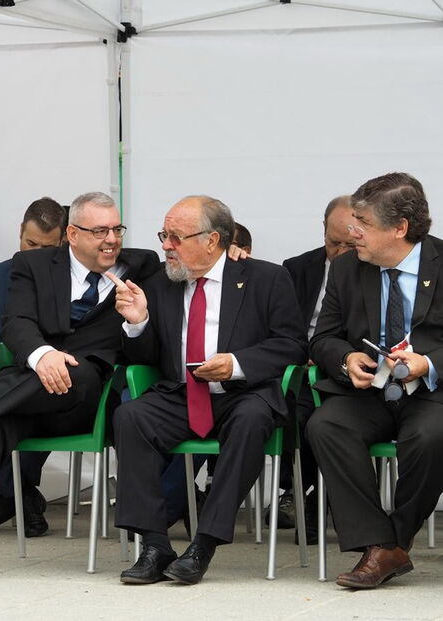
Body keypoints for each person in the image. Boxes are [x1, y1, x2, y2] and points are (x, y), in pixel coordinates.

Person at [0, 191, 160, 582]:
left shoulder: (142, 266)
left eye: (116, 229)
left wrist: (136, 321)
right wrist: (43, 354)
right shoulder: (33, 265)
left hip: (89, 403)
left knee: (80, 370)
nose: (111, 239)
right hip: (30, 398)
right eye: (99, 231)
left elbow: (152, 341)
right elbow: (16, 323)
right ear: (72, 235)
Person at [110, 195, 306, 585]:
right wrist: (138, 323)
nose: (166, 245)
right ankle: (153, 545)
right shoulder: (161, 282)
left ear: (213, 240)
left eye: (176, 237)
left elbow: (293, 344)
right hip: (182, 395)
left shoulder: (264, 278)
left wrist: (236, 364)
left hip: (243, 395)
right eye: (164, 235)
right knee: (130, 415)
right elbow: (144, 355)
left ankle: (204, 543)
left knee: (252, 418)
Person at [307, 172, 443, 589]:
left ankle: (393, 543)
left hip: (430, 394)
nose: (353, 234)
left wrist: (428, 363)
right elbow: (321, 338)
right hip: (368, 391)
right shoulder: (347, 268)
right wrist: (346, 357)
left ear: (399, 228)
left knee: (430, 436)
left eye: (362, 224)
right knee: (325, 425)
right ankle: (379, 543)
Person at [0, 196, 65, 537]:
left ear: (63, 242)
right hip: (0, 382)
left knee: (33, 405)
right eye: (30, 243)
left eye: (46, 247)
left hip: (49, 388)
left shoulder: (72, 279)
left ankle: (10, 494)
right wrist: (3, 351)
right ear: (19, 232)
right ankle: (21, 495)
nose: (35, 253)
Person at [278, 195, 357, 542]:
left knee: (326, 421)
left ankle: (319, 500)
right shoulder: (296, 268)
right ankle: (305, 492)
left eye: (349, 245)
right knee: (295, 413)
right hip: (303, 365)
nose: (340, 252)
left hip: (349, 369)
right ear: (322, 230)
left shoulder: (372, 271)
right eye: (333, 243)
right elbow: (282, 327)